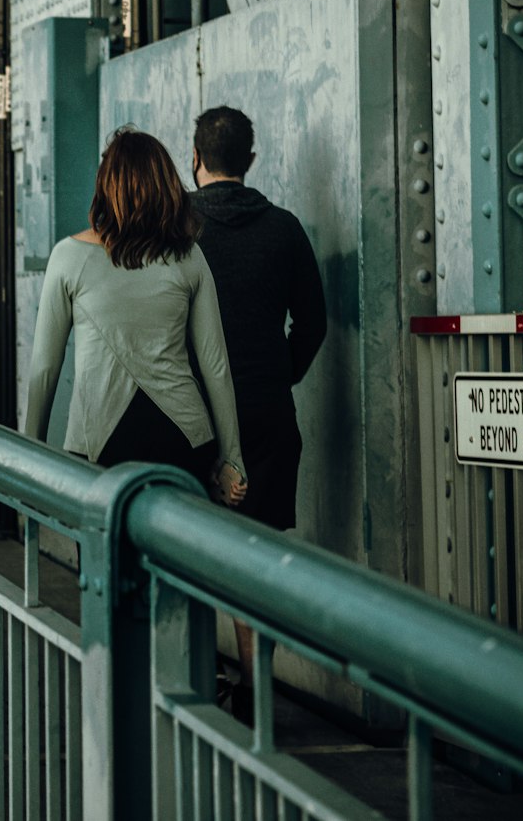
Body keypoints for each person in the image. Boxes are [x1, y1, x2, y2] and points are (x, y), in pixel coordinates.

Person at [188, 105, 327, 717]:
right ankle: (255, 689)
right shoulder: (286, 228)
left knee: (188, 544)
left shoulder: (181, 229)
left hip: (194, 417)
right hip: (268, 412)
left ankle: (192, 674)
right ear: (249, 159)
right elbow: (314, 323)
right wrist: (280, 374)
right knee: (261, 554)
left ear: (194, 161)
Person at [25, 127, 247, 505]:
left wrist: (27, 455)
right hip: (184, 438)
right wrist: (232, 460)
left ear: (106, 185)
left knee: (103, 560)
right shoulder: (189, 257)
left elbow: (45, 368)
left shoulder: (68, 256)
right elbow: (215, 365)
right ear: (166, 186)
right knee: (175, 560)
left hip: (97, 442)